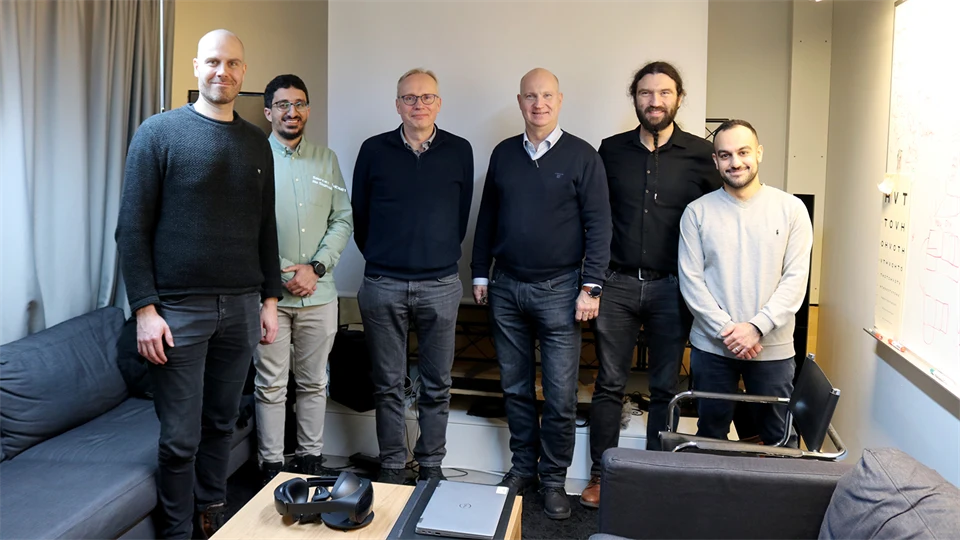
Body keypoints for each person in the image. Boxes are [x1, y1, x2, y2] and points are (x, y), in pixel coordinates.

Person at [115, 30, 281, 540]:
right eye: (212, 62)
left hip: (240, 308)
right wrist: (145, 308)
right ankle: (175, 532)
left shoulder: (257, 143)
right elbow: (131, 228)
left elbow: (265, 228)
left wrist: (269, 300)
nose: (222, 72)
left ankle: (211, 516)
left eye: (232, 63)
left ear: (243, 72)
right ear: (195, 66)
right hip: (177, 312)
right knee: (180, 438)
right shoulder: (158, 133)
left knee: (222, 425)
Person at [579, 61, 722, 508]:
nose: (654, 101)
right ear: (634, 98)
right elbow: (594, 218)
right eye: (645, 93)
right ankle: (603, 476)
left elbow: (722, 216)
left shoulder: (702, 154)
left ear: (679, 97)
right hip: (616, 283)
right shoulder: (611, 150)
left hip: (672, 288)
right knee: (609, 384)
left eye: (664, 93)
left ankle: (655, 476)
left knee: (664, 387)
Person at [471, 68, 611, 520]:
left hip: (561, 291)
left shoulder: (583, 156)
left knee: (560, 395)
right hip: (507, 287)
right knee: (513, 388)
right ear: (519, 101)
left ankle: (553, 480)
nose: (539, 104)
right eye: (531, 96)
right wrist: (479, 273)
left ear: (560, 100)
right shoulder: (504, 154)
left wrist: (591, 287)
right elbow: (487, 215)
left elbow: (599, 226)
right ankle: (522, 471)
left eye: (547, 95)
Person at [351, 68, 474, 485]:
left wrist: (433, 256)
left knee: (437, 383)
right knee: (387, 384)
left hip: (440, 284)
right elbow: (360, 216)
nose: (418, 105)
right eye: (409, 98)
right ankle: (391, 464)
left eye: (426, 98)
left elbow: (460, 218)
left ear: (438, 103)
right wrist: (386, 259)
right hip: (382, 284)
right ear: (397, 104)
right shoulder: (373, 150)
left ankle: (431, 464)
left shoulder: (460, 150)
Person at [678, 119, 813, 447]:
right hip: (712, 346)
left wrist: (756, 328)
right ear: (715, 161)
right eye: (725, 155)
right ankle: (712, 499)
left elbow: (795, 280)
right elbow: (691, 281)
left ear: (759, 153)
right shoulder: (697, 213)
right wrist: (729, 330)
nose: (735, 162)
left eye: (743, 152)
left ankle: (781, 500)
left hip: (772, 349)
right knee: (710, 434)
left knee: (780, 438)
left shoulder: (791, 210)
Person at [253, 74, 353, 484]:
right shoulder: (252, 157)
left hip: (319, 294)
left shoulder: (326, 160)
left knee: (314, 382)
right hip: (269, 299)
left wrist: (315, 268)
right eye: (282, 105)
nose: (291, 112)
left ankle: (310, 460)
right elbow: (245, 226)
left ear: (307, 109)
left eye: (299, 104)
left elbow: (342, 218)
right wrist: (282, 275)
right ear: (268, 112)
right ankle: (270, 466)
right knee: (271, 385)